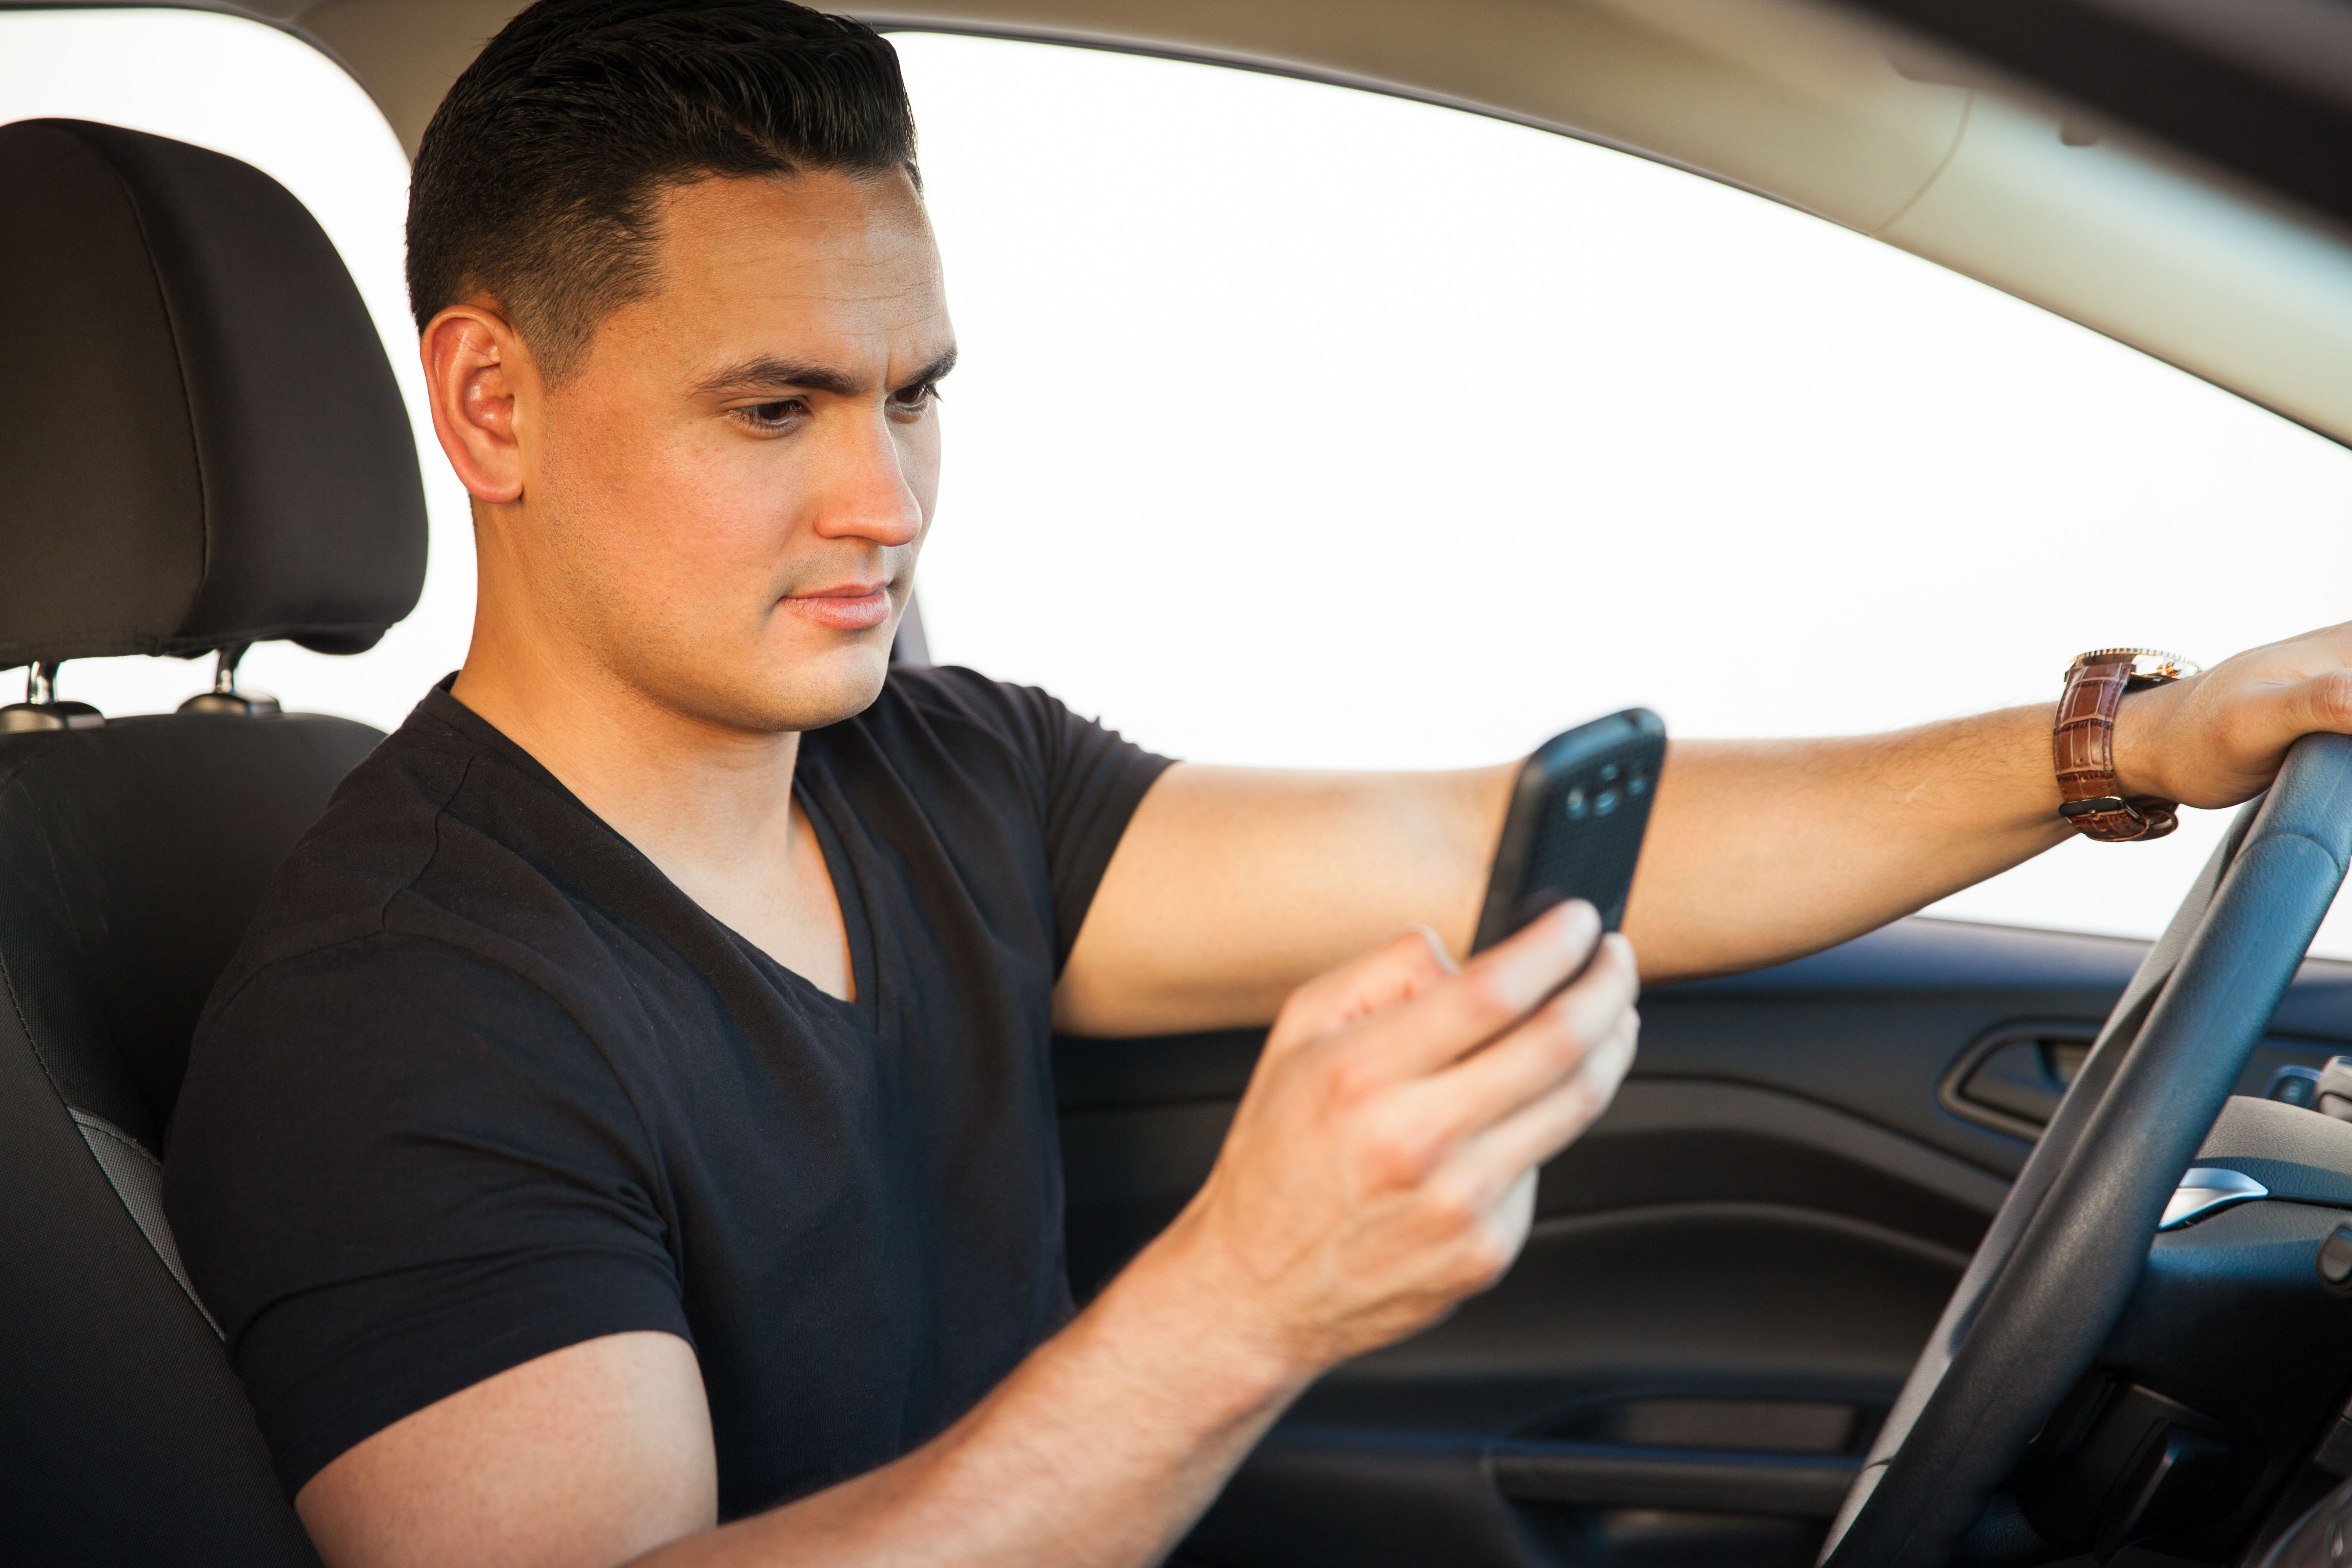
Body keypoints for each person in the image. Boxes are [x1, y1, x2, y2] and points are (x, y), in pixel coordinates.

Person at [160, 3, 2352, 1565]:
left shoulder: (940, 771)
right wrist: (1246, 1300)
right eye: (774, 410)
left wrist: (2125, 742)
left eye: (914, 394)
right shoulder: (399, 1024)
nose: (885, 501)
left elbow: (1467, 847)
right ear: (494, 407)